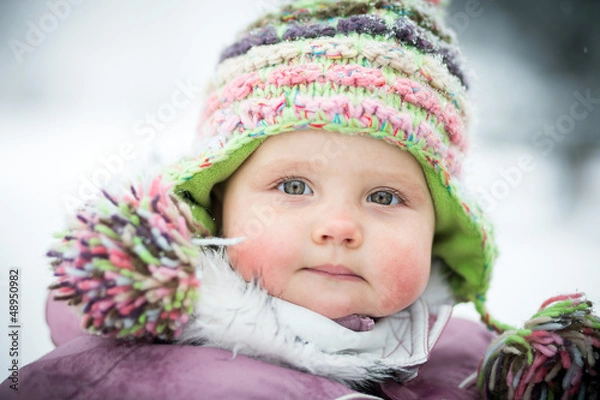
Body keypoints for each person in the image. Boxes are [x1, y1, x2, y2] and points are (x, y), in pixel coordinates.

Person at [2, 1, 596, 399]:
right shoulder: (124, 373)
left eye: (385, 196)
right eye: (293, 187)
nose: (338, 227)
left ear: (439, 227)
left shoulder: (468, 367)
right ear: (217, 202)